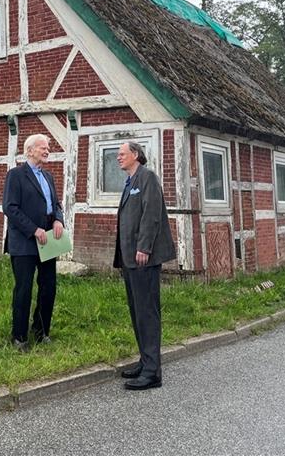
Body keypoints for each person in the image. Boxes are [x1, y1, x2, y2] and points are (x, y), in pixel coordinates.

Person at [114, 141, 175, 390]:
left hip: (143, 258)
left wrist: (144, 247)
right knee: (137, 311)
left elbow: (151, 214)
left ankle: (152, 373)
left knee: (147, 313)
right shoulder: (130, 181)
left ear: (136, 155)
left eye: (122, 154)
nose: (118, 157)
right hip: (129, 258)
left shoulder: (147, 177)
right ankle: (145, 361)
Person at [3, 134, 64, 352]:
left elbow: (56, 204)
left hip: (48, 240)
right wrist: (34, 229)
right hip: (24, 242)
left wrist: (58, 219)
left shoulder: (48, 177)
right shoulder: (16, 175)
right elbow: (10, 208)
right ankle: (19, 337)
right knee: (24, 289)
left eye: (49, 147)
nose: (47, 151)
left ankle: (41, 331)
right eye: (43, 148)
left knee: (48, 288)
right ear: (29, 151)